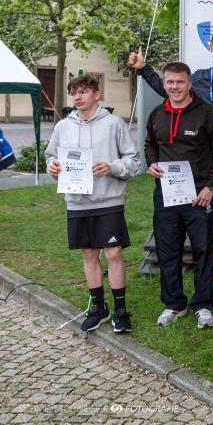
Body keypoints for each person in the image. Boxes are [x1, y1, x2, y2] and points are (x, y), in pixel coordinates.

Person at [128, 28, 213, 271]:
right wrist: (143, 69)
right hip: (208, 145)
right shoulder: (197, 77)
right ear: (210, 46)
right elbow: (169, 89)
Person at [45, 75, 140, 333]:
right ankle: (98, 308)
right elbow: (51, 156)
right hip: (77, 202)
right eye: (74, 92)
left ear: (97, 95)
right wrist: (52, 167)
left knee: (113, 253)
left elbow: (133, 160)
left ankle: (120, 309)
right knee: (89, 254)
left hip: (108, 200)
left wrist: (112, 167)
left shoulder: (114, 124)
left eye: (84, 91)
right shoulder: (63, 126)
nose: (78, 96)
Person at [144, 62, 213, 329]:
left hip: (199, 197)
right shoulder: (157, 114)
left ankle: (203, 305)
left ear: (189, 83)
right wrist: (151, 163)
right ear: (164, 84)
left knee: (203, 250)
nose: (175, 86)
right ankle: (174, 304)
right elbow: (150, 144)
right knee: (168, 250)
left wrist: (210, 187)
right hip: (166, 196)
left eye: (180, 82)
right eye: (170, 82)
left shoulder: (207, 113)